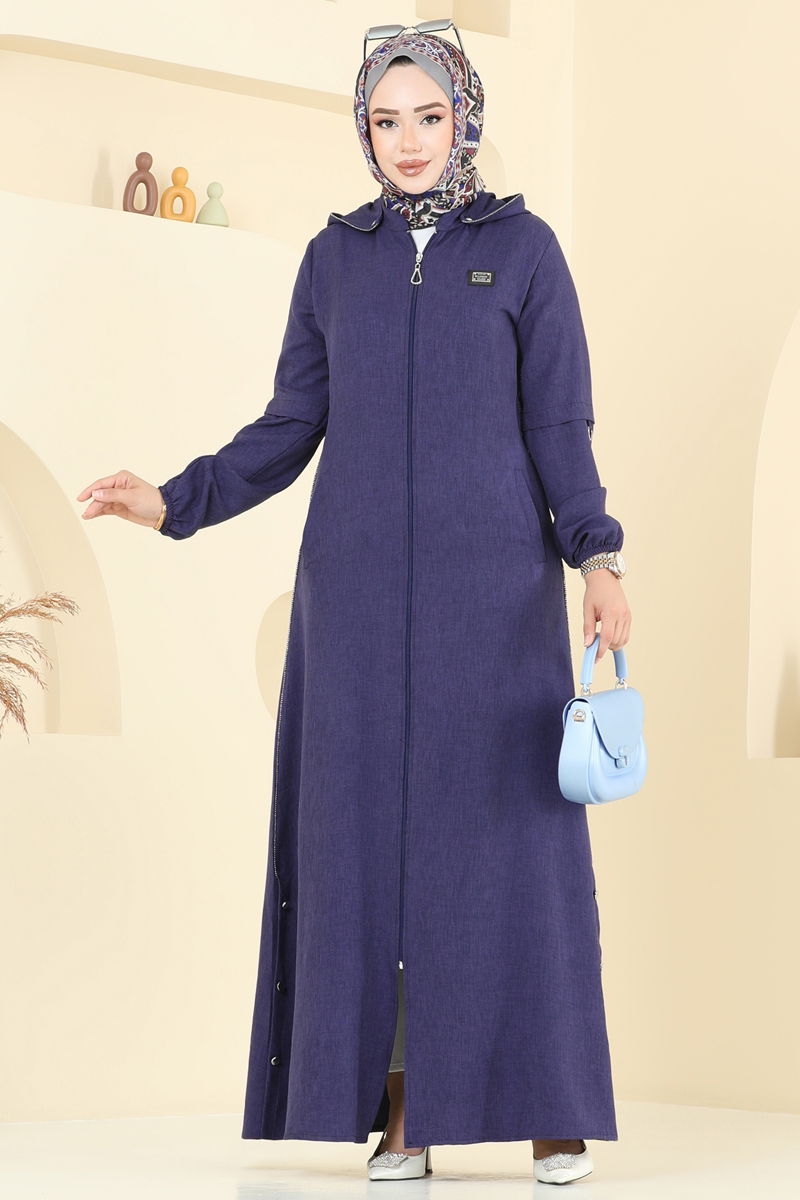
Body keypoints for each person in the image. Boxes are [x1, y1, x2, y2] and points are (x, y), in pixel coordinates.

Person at [76, 23, 630, 1187]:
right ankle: (405, 1108)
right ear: (363, 129)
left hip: (494, 603)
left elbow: (558, 424)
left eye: (428, 115)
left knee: (509, 849)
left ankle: (549, 1104)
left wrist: (597, 558)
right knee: (365, 852)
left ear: (464, 116)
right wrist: (174, 499)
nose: (408, 140)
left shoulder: (523, 250)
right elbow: (290, 425)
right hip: (356, 606)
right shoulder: (335, 259)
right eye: (386, 120)